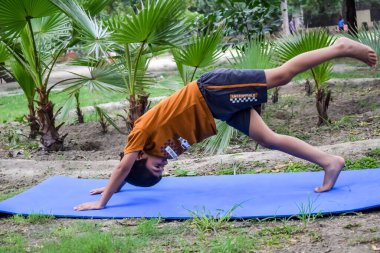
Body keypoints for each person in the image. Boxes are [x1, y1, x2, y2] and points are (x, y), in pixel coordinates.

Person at [74, 37, 377, 211]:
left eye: (157, 167)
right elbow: (129, 170)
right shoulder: (149, 152)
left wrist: (104, 200)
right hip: (219, 111)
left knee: (280, 76)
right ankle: (330, 162)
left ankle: (340, 48)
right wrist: (121, 186)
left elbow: (123, 165)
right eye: (162, 169)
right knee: (268, 139)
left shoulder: (139, 136)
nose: (163, 163)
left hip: (212, 91)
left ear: (140, 155)